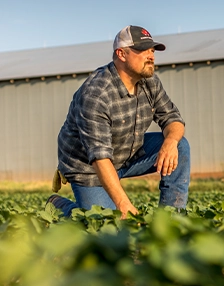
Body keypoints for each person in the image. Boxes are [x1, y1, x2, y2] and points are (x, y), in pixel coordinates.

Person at [47, 25, 190, 218]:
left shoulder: (150, 82)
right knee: (104, 223)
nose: (151, 55)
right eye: (143, 50)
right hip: (90, 168)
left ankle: (171, 217)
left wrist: (171, 142)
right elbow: (99, 157)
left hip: (127, 154)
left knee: (180, 145)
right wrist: (123, 204)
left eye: (152, 50)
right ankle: (59, 206)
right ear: (121, 54)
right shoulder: (96, 94)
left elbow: (173, 119)